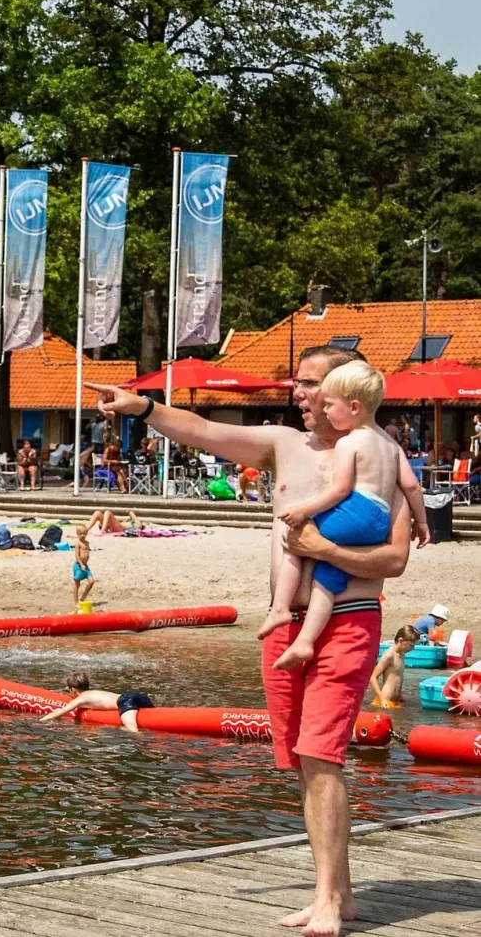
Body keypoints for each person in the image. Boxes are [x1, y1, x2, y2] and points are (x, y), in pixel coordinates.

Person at [86, 342, 413, 937]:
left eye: (311, 383)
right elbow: (205, 430)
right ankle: (336, 891)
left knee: (322, 756)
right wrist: (141, 409)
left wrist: (323, 551)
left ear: (348, 391)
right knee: (302, 761)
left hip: (349, 617)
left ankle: (329, 903)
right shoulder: (284, 445)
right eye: (299, 382)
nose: (299, 392)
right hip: (283, 622)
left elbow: (394, 558)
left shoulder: (379, 458)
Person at [264, 361, 429, 671]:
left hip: (355, 509)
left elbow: (339, 491)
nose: (325, 412)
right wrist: (420, 523)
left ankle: (281, 608)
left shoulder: (349, 442)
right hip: (379, 520)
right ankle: (306, 641)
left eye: (329, 405)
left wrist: (303, 511)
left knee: (295, 539)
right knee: (329, 576)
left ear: (353, 407)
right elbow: (411, 485)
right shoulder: (391, 445)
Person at [39, 672, 155, 733]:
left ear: (73, 690)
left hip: (125, 701)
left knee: (132, 730)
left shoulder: (81, 698)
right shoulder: (93, 692)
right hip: (134, 696)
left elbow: (61, 711)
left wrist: (42, 720)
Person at [369, 625, 422, 709]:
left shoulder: (402, 654)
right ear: (400, 640)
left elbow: (397, 677)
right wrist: (381, 699)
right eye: (411, 645)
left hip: (395, 701)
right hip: (385, 702)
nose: (413, 648)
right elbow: (373, 677)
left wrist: (399, 695)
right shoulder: (389, 655)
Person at [72, 522, 95, 608]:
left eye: (84, 533)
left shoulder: (87, 543)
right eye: (80, 534)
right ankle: (76, 602)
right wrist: (81, 564)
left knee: (91, 581)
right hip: (79, 565)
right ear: (77, 534)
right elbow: (77, 555)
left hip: (85, 566)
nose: (82, 535)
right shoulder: (77, 543)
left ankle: (83, 598)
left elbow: (86, 552)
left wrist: (84, 564)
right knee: (77, 584)